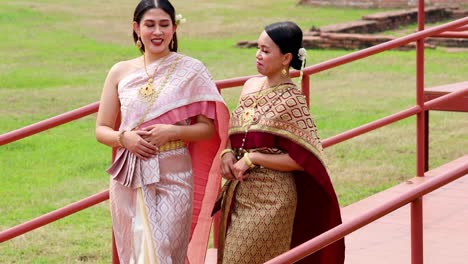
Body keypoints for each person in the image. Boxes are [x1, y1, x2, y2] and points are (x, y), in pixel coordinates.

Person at [95, 1, 229, 263]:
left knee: (166, 251)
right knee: (137, 250)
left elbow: (206, 129)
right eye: (150, 25)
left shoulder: (192, 70)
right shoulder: (119, 71)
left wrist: (171, 132)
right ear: (136, 28)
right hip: (130, 173)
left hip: (175, 171)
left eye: (164, 25)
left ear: (174, 28)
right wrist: (125, 138)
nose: (157, 32)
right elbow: (101, 130)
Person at [214, 21, 345, 264]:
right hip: (240, 194)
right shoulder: (249, 86)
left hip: (272, 199)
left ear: (285, 58)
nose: (258, 55)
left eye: (265, 50)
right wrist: (227, 154)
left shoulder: (292, 99)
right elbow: (236, 134)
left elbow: (304, 159)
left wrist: (253, 159)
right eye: (258, 48)